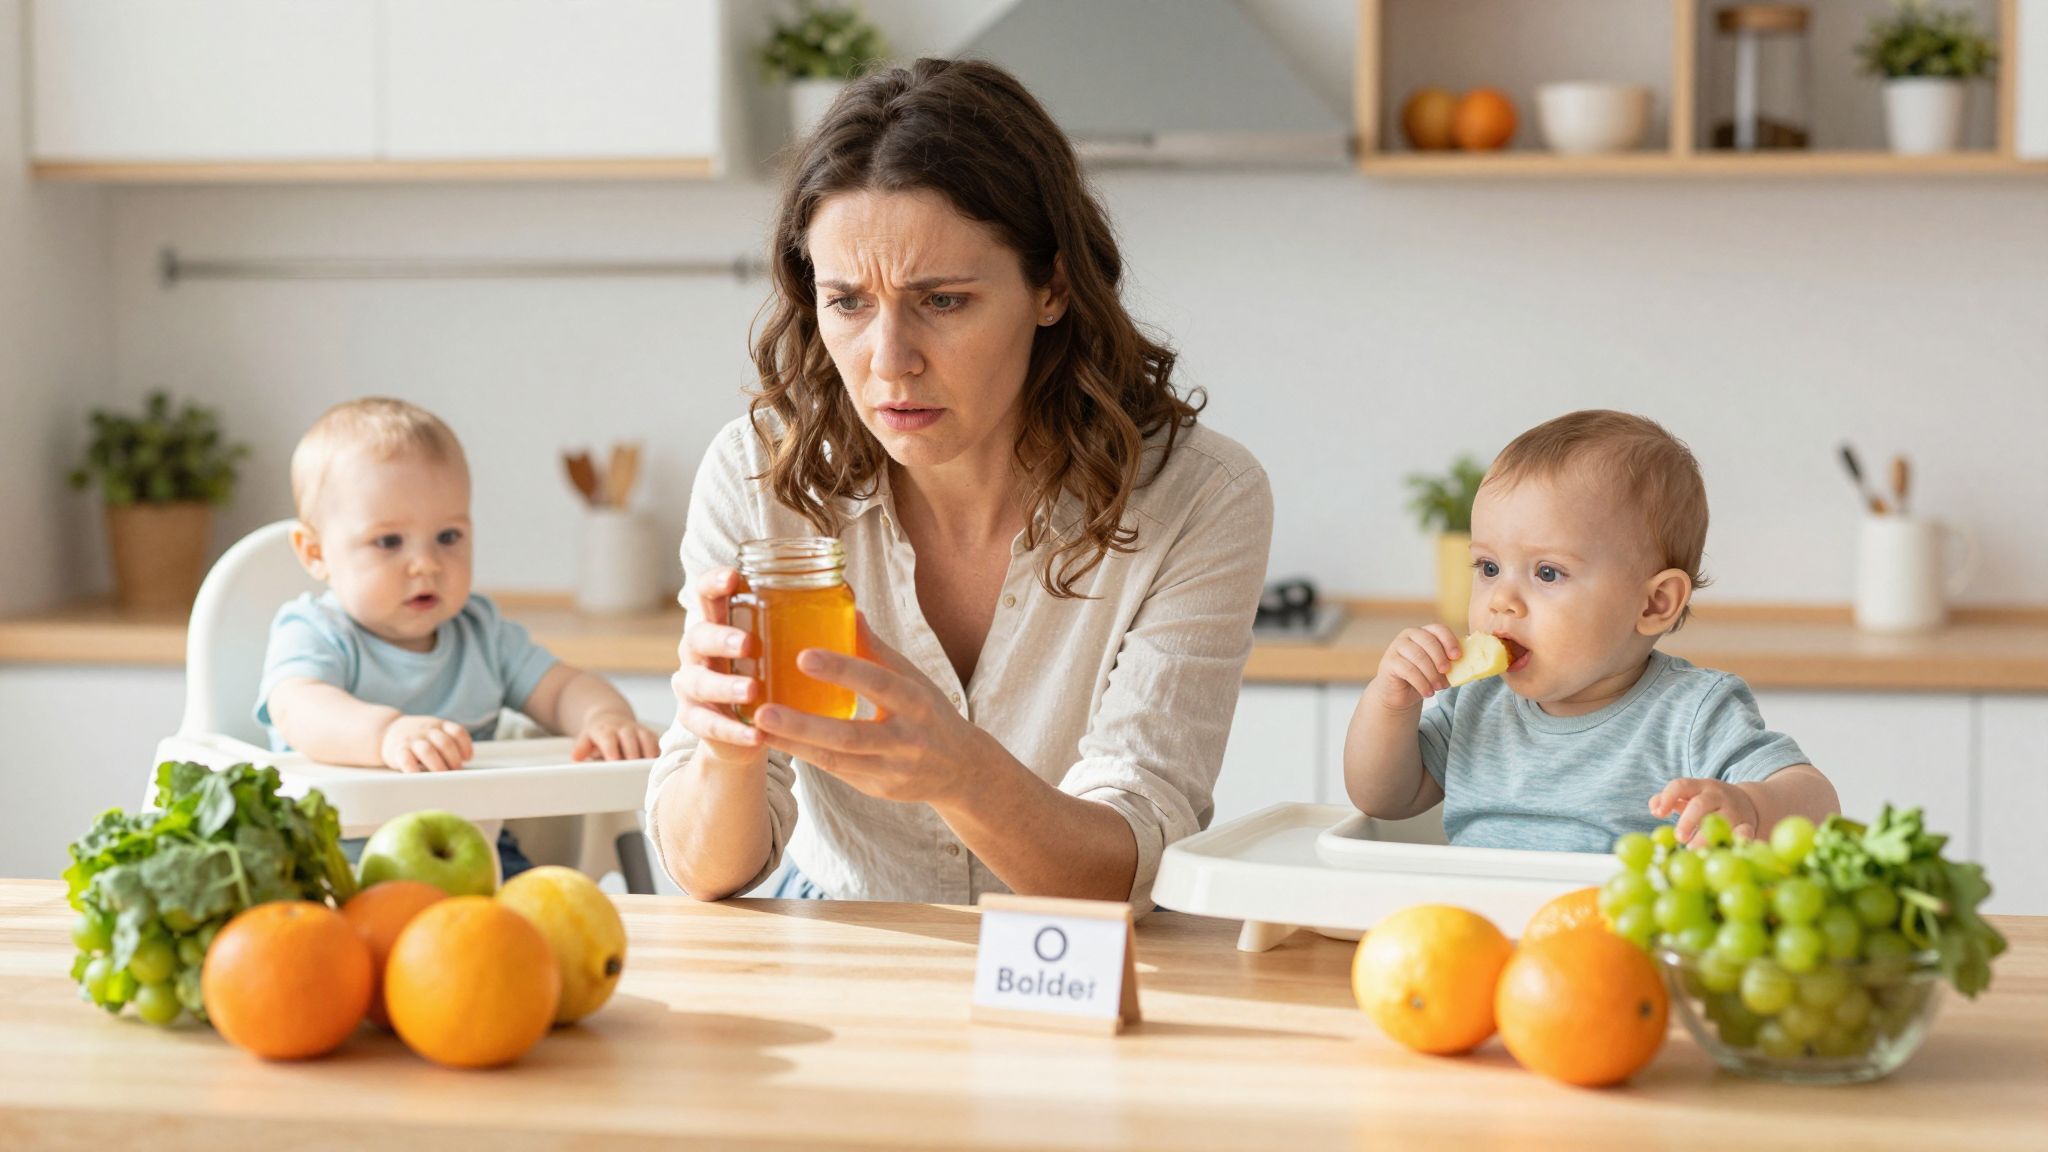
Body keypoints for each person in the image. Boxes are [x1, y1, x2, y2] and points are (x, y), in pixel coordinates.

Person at [646, 59, 1273, 907]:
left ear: (1051, 285)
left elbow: (1125, 867)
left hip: (1076, 968)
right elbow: (705, 873)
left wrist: (959, 772)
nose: (889, 361)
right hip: (846, 954)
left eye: (941, 301)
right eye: (848, 303)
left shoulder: (1200, 498)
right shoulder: (761, 477)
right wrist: (726, 747)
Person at [1343, 410, 1838, 852]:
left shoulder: (1692, 712)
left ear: (1654, 603)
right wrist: (1391, 702)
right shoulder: (1476, 704)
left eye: (1547, 573)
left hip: (1616, 941)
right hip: (1479, 935)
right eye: (1489, 568)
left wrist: (1750, 805)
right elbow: (1383, 799)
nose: (1501, 600)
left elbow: (1817, 800)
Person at [258, 397, 661, 876]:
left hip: (473, 846)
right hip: (335, 861)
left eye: (448, 537)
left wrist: (605, 717)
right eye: (389, 541)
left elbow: (562, 688)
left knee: (532, 910)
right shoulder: (316, 633)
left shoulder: (481, 635)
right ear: (315, 552)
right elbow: (298, 708)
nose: (426, 563)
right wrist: (385, 734)